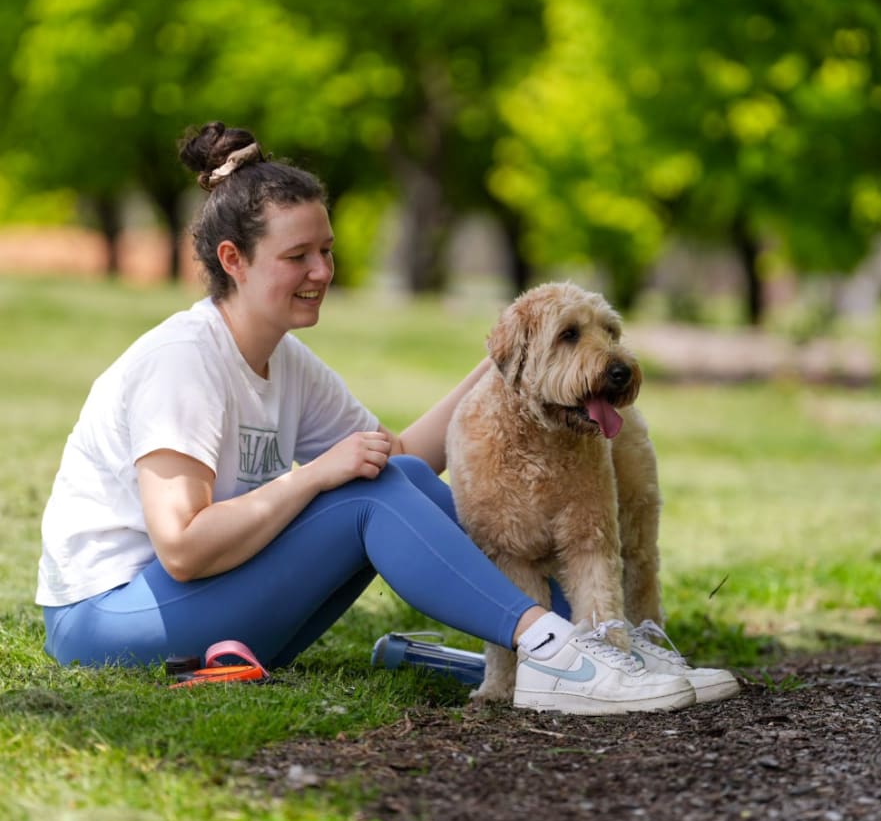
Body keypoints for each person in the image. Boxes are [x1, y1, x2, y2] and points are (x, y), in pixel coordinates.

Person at [36, 121, 699, 715]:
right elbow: (181, 548)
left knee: (394, 474)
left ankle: (603, 645)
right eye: (297, 257)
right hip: (109, 618)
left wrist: (509, 360)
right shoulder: (185, 360)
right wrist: (314, 477)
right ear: (232, 260)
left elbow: (401, 455)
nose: (321, 271)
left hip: (209, 609)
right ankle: (562, 652)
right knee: (364, 490)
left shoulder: (286, 361)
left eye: (326, 250)